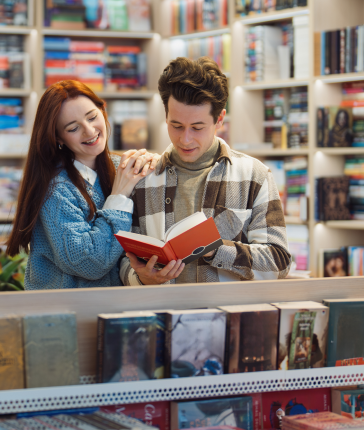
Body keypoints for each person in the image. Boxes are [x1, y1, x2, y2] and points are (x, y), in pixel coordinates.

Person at [119, 57, 291, 285]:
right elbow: (121, 260)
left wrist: (215, 250)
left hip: (229, 317)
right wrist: (140, 277)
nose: (185, 139)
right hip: (161, 315)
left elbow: (278, 264)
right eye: (176, 125)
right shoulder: (143, 177)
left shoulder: (254, 176)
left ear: (219, 119)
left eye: (197, 127)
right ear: (166, 116)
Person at [6, 80, 158, 290]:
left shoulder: (120, 167)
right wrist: (119, 195)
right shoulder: (55, 189)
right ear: (58, 137)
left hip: (117, 307)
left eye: (92, 117)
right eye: (74, 128)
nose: (89, 131)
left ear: (103, 111)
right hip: (65, 313)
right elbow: (90, 263)